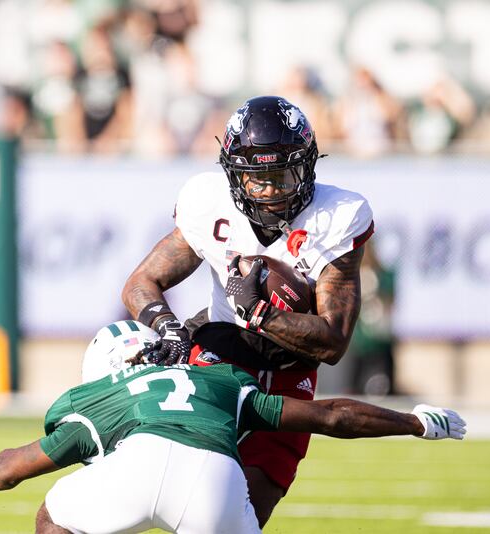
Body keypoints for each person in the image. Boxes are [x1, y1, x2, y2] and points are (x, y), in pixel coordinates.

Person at [121, 95, 375, 525]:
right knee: (160, 486)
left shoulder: (338, 215)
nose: (271, 190)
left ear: (308, 166)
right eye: (257, 178)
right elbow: (140, 284)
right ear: (233, 173)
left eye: (283, 175)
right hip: (220, 352)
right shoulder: (208, 201)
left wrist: (261, 313)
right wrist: (166, 328)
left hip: (291, 369)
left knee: (240, 519)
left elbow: (333, 341)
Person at [0, 320, 466, 534]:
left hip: (135, 470)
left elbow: (13, 470)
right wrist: (415, 421)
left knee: (54, 514)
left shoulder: (102, 397)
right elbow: (332, 415)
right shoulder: (220, 380)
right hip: (216, 486)